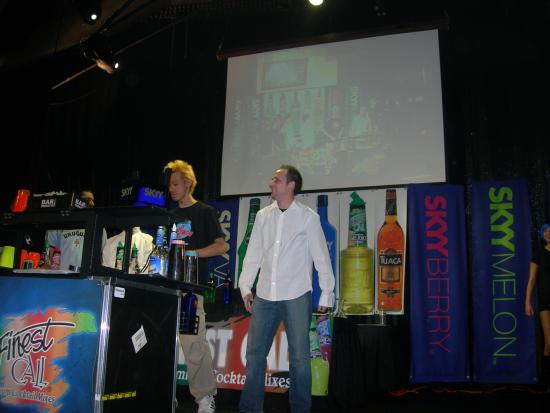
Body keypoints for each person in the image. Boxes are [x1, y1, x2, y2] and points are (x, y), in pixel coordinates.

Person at [238, 165, 335, 413]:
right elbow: (253, 255)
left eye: (277, 179)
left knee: (300, 359)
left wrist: (327, 293)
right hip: (264, 297)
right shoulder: (263, 216)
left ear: (291, 185)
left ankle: (300, 409)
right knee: (254, 356)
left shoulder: (308, 217)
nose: (271, 183)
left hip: (296, 295)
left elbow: (321, 257)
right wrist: (245, 286)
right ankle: (250, 409)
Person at [164, 159, 228, 413]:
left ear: (188, 183)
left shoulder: (204, 212)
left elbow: (222, 246)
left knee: (192, 344)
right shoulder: (169, 215)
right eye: (170, 185)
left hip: (191, 291)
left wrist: (192, 254)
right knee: (162, 342)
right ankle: (163, 395)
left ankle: (204, 397)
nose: (171, 189)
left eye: (175, 184)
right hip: (166, 289)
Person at [45, 189, 97, 271]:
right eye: (88, 199)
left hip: (86, 276)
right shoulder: (60, 223)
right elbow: (48, 254)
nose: (92, 204)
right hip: (63, 276)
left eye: (93, 201)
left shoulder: (96, 226)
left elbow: (100, 257)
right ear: (77, 200)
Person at [525, 223, 550, 385]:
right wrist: (527, 302)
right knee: (549, 343)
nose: (548, 233)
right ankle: (547, 381)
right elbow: (532, 279)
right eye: (545, 231)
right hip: (546, 302)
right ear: (542, 235)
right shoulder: (539, 254)